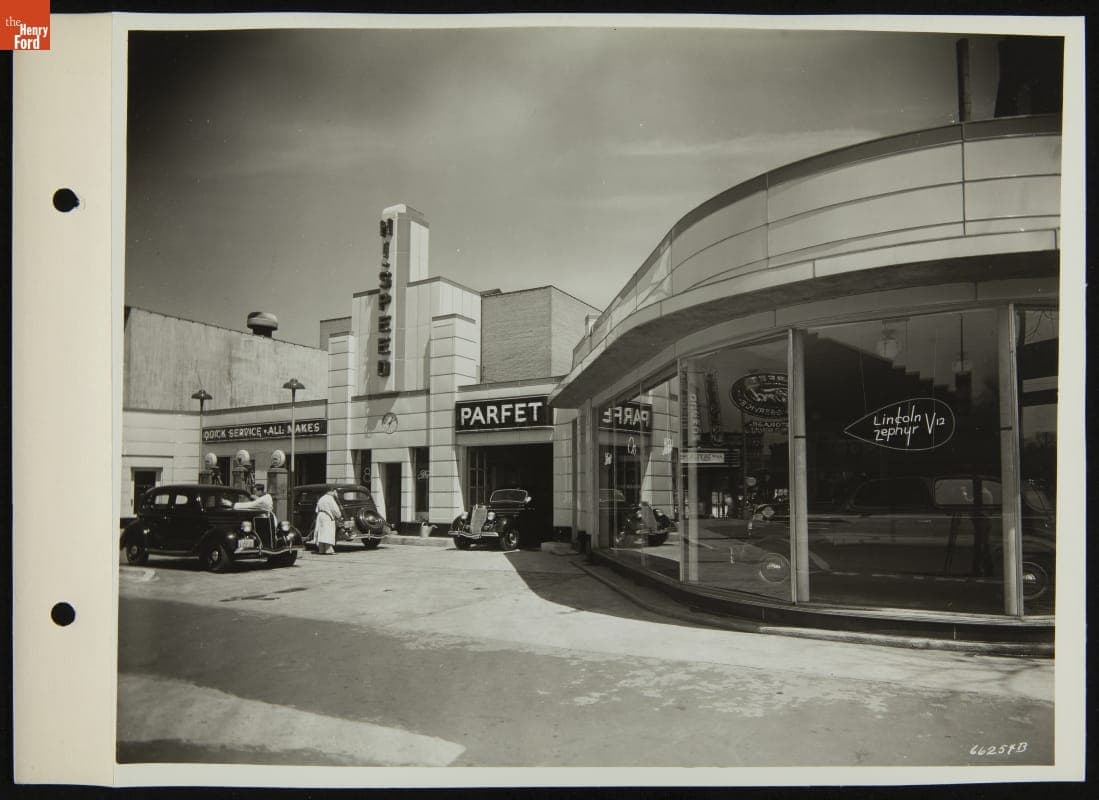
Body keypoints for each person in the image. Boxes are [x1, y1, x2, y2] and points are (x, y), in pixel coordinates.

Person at [314, 487, 342, 555]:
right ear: (332, 491)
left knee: (321, 533)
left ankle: (321, 549)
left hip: (320, 516)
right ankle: (328, 549)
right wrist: (339, 516)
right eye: (335, 492)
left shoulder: (322, 498)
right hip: (327, 516)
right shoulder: (330, 499)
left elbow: (316, 510)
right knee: (328, 532)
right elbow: (335, 509)